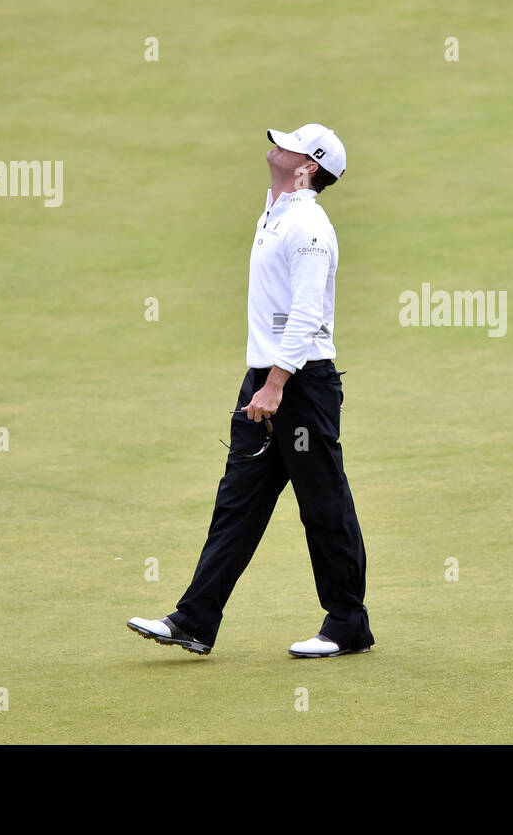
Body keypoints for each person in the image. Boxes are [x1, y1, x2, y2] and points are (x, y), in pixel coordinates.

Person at [128, 123, 374, 658]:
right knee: (236, 505)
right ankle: (194, 620)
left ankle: (348, 623)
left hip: (299, 385)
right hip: (268, 382)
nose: (276, 146)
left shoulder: (308, 225)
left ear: (307, 166)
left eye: (289, 145)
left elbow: (307, 313)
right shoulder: (279, 211)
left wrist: (276, 384)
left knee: (323, 503)